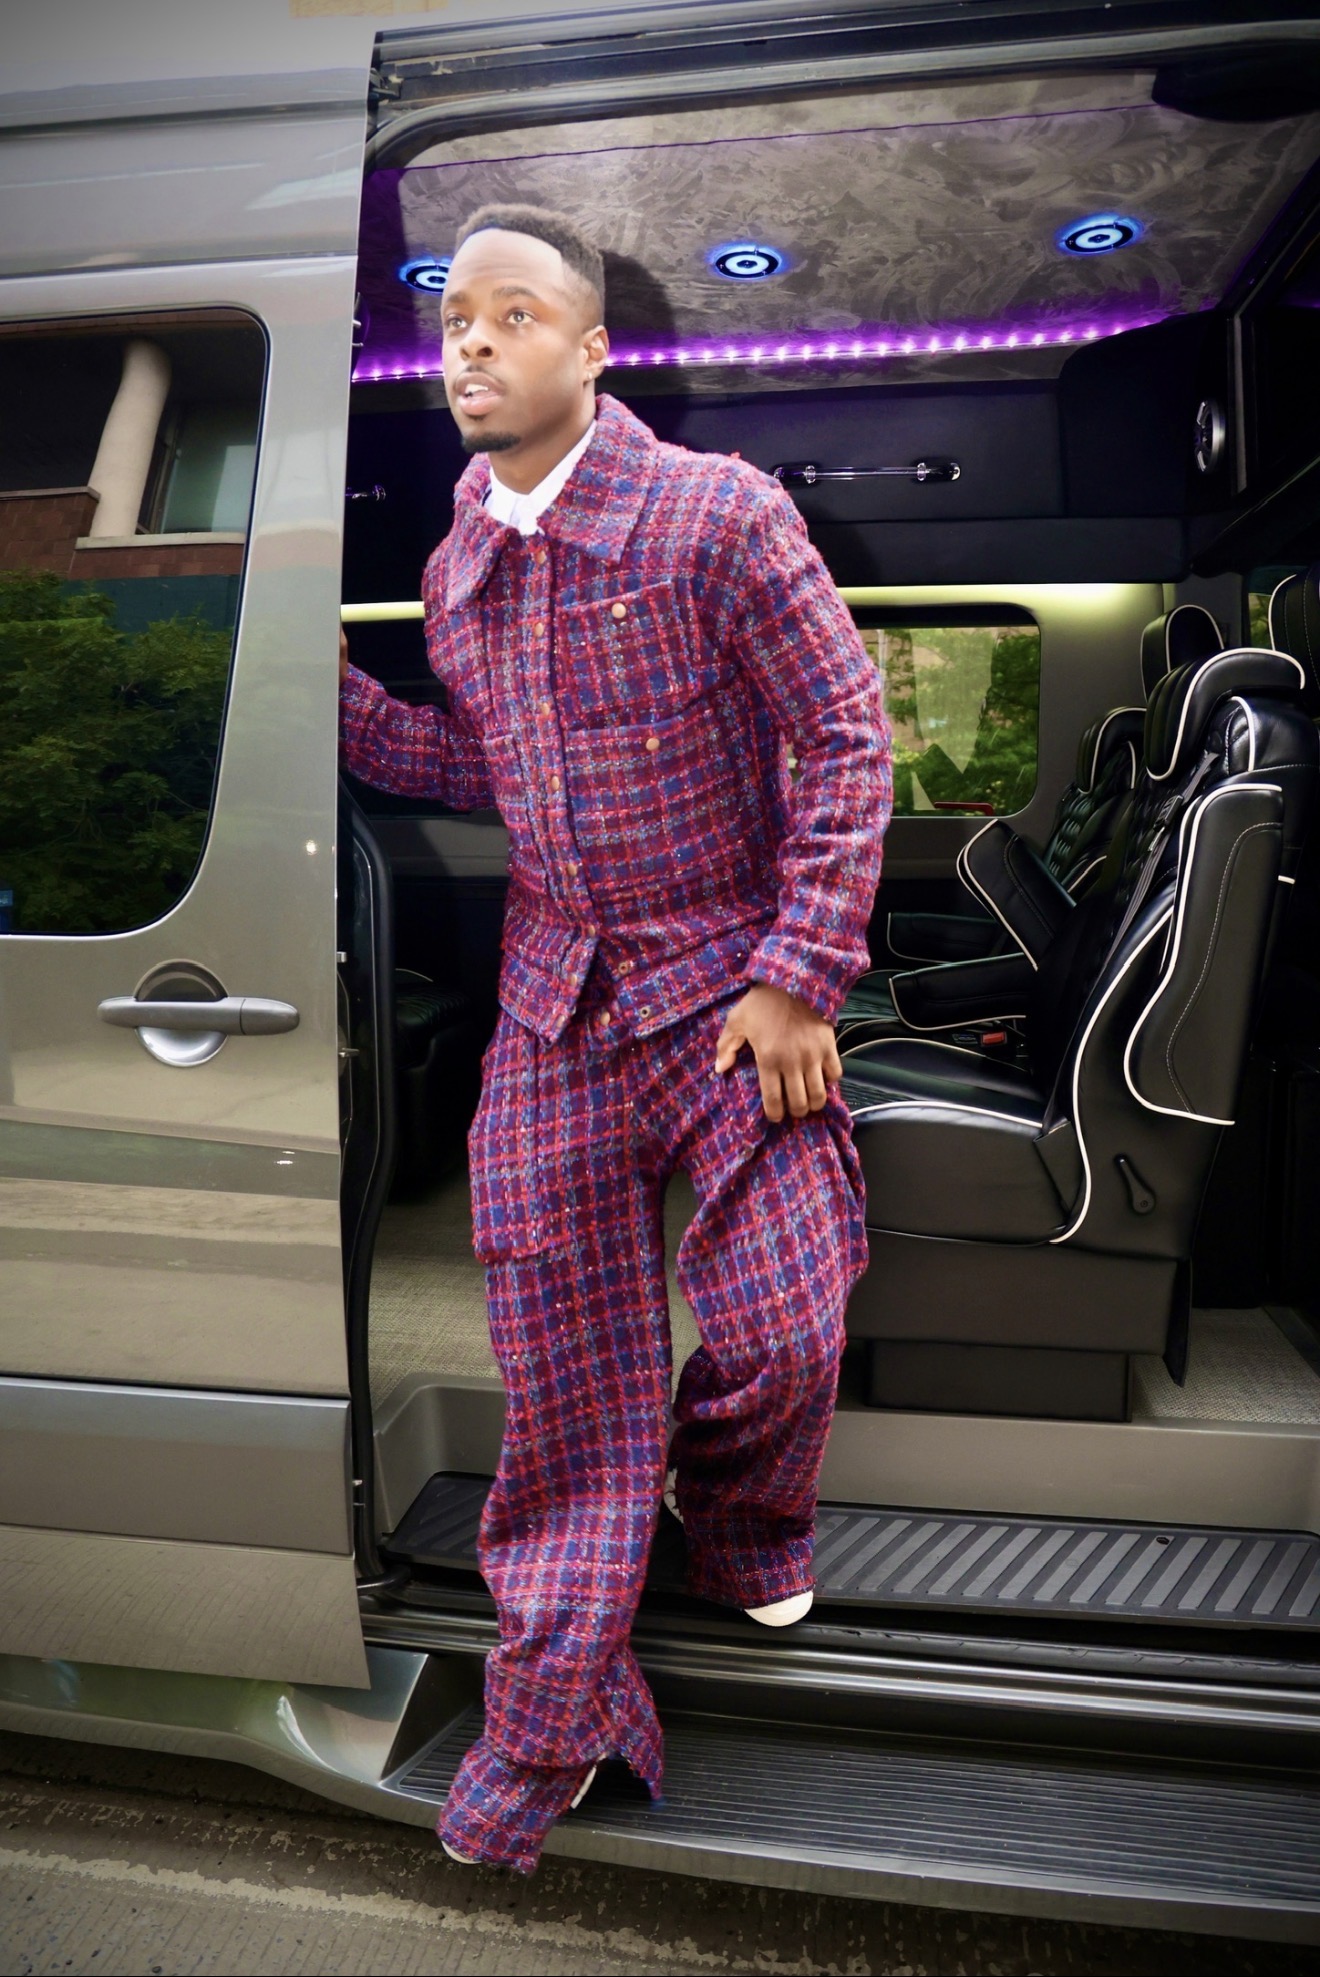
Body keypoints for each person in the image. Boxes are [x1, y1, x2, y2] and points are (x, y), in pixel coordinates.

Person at [339, 203, 892, 1873]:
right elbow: (490, 773)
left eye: (514, 314)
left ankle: (732, 1513)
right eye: (454, 318)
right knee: (568, 1384)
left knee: (787, 1320)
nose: (472, 340)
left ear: (593, 347)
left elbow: (846, 736)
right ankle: (557, 1719)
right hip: (553, 1009)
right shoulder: (453, 571)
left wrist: (802, 972)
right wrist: (336, 705)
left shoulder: (719, 515)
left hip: (735, 986)